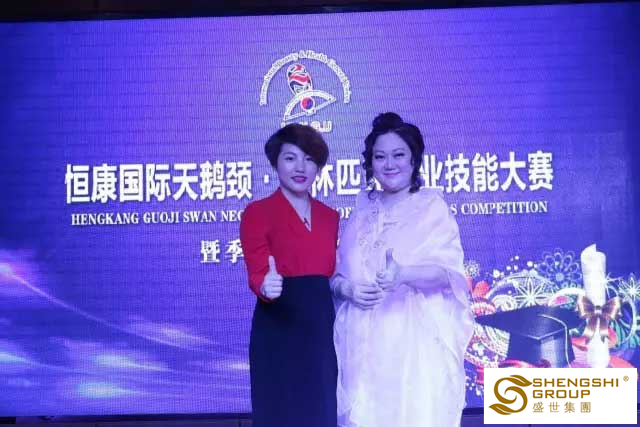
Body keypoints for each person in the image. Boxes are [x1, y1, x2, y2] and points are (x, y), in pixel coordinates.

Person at [332, 112, 474, 427]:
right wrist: (348, 289)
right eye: (380, 156)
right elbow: (337, 276)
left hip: (412, 345)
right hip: (362, 347)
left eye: (398, 155)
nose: (389, 164)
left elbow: (449, 275)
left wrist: (404, 275)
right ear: (371, 162)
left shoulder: (431, 208)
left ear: (413, 160)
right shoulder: (361, 212)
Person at [240, 123, 339, 427]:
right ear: (275, 163)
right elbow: (258, 270)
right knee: (279, 412)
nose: (300, 167)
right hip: (278, 327)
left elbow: (332, 272)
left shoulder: (330, 217)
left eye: (309, 159)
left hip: (321, 328)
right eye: (290, 158)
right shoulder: (257, 212)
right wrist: (265, 286)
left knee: (321, 410)